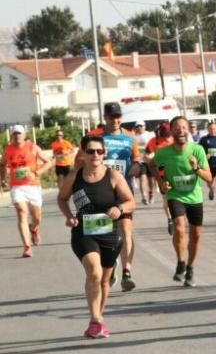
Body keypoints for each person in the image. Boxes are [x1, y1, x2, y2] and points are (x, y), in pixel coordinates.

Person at [57, 134, 135, 338]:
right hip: (83, 232)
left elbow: (130, 202)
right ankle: (95, 320)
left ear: (104, 153)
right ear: (82, 153)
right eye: (90, 151)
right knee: (94, 271)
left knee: (104, 280)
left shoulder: (113, 176)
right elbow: (62, 198)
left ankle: (98, 318)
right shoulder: (74, 176)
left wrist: (119, 208)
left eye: (99, 151)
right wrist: (69, 216)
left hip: (109, 234)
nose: (95, 155)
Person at [80, 102, 141, 291]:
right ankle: (110, 265)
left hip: (123, 191)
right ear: (105, 118)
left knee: (125, 230)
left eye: (118, 116)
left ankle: (127, 273)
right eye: (111, 117)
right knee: (105, 235)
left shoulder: (130, 137)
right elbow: (79, 160)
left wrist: (137, 166)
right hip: (101, 192)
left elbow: (136, 158)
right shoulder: (95, 136)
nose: (115, 120)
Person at [153, 116, 211, 287]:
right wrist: (161, 182)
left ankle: (190, 267)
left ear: (189, 130)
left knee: (196, 234)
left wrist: (196, 168)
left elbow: (209, 177)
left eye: (184, 127)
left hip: (194, 197)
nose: (181, 131)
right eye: (177, 128)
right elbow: (151, 165)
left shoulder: (198, 150)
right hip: (175, 196)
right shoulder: (163, 152)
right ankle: (180, 262)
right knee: (179, 228)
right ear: (171, 131)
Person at [1, 125, 53, 257]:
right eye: (14, 134)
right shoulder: (8, 149)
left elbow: (49, 162)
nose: (17, 136)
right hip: (17, 186)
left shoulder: (32, 147)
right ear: (12, 136)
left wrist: (36, 173)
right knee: (21, 211)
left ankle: (34, 228)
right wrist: (3, 178)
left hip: (33, 186)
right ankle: (27, 247)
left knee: (37, 217)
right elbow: (3, 164)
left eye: (19, 133)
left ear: (24, 135)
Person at [145, 123, 174, 232]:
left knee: (178, 198)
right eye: (165, 133)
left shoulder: (174, 140)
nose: (167, 135)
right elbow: (146, 156)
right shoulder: (154, 141)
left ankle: (177, 217)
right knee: (166, 198)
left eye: (168, 132)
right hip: (162, 175)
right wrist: (154, 163)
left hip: (176, 173)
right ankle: (170, 218)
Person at [198, 121, 216, 207]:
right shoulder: (204, 139)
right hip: (208, 164)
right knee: (209, 181)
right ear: (208, 129)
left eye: (214, 128)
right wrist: (205, 155)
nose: (212, 130)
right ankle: (211, 188)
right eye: (210, 128)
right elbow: (200, 151)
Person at [132, 122, 155, 204]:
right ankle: (144, 197)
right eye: (137, 126)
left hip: (149, 159)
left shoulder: (150, 135)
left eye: (141, 126)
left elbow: (154, 145)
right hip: (140, 161)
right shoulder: (133, 136)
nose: (139, 128)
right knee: (142, 178)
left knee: (151, 180)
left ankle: (151, 193)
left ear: (144, 126)